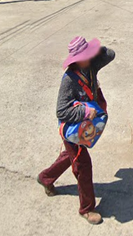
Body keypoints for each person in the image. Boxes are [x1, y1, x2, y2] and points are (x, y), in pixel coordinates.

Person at [38, 36, 115, 225]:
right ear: (76, 59)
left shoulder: (91, 66)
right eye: (85, 54)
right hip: (73, 130)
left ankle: (45, 177)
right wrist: (84, 111)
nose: (89, 56)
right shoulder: (69, 80)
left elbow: (110, 54)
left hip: (84, 127)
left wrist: (96, 50)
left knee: (70, 156)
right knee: (83, 165)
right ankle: (86, 209)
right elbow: (61, 111)